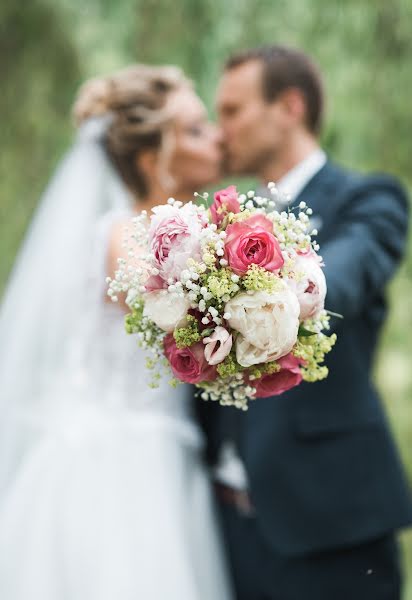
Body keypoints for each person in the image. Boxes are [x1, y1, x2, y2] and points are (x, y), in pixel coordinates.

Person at [0, 64, 233, 600]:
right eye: (196, 129)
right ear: (156, 160)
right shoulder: (129, 241)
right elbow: (200, 322)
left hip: (162, 450)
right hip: (121, 470)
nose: (218, 136)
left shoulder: (137, 232)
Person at [198, 45, 412, 600]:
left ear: (289, 106)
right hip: (225, 527)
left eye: (233, 111)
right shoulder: (217, 221)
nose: (221, 132)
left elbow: (344, 274)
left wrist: (265, 285)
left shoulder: (369, 200)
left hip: (329, 522)